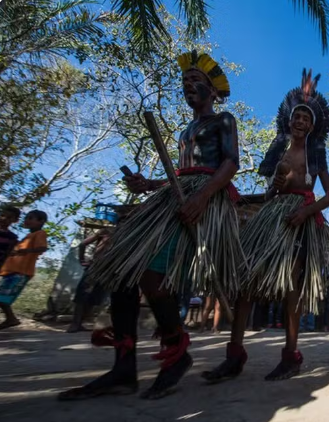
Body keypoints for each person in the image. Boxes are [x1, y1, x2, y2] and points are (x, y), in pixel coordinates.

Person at [58, 50, 244, 400]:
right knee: (122, 270)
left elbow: (230, 164)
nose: (188, 85)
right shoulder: (187, 130)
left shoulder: (225, 121)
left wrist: (202, 198)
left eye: (196, 81)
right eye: (185, 81)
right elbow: (180, 175)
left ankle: (177, 353)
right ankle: (124, 368)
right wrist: (149, 185)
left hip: (202, 200)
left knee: (153, 278)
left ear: (213, 91)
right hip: (174, 196)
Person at [202, 69, 329, 383]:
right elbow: (271, 191)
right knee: (246, 281)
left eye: (306, 118)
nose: (300, 121)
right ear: (289, 121)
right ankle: (234, 355)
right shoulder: (278, 149)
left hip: (299, 220)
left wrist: (305, 213)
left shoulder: (316, 153)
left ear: (313, 125)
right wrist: (274, 188)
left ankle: (291, 356)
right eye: (297, 117)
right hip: (272, 215)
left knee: (292, 288)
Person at [0, 210, 48, 329]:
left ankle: (11, 319)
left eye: (31, 218)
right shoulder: (28, 236)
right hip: (12, 271)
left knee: (2, 298)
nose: (27, 221)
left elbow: (42, 248)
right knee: (2, 298)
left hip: (20, 272)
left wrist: (25, 251)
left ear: (41, 221)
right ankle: (11, 319)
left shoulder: (40, 234)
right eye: (26, 218)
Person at [67, 228, 112, 333]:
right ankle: (75, 324)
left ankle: (79, 323)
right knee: (83, 293)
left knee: (96, 297)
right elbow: (83, 244)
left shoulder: (124, 234)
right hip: (96, 267)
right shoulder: (106, 232)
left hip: (109, 270)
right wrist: (81, 260)